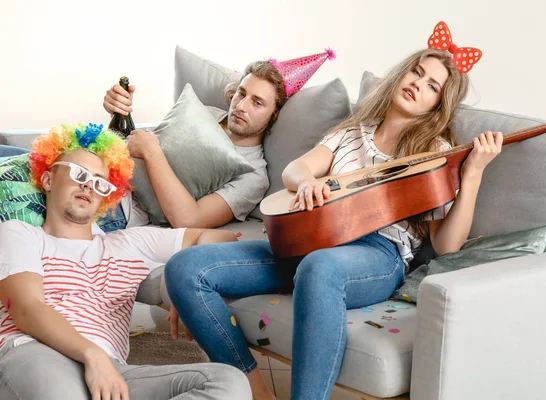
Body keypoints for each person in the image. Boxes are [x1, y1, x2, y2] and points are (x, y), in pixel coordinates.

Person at [163, 22, 503, 400]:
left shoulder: (433, 153)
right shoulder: (352, 131)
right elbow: (296, 169)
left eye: (432, 86)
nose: (418, 84)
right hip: (311, 241)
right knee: (186, 268)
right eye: (417, 72)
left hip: (374, 255)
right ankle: (255, 390)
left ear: (438, 104)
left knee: (320, 267)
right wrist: (306, 182)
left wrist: (471, 175)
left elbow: (447, 246)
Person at [0, 123, 252, 400]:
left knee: (228, 382)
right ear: (47, 180)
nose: (88, 184)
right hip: (37, 352)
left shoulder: (129, 243)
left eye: (99, 182)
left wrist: (187, 280)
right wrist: (91, 354)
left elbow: (222, 238)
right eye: (78, 173)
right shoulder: (19, 233)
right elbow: (26, 308)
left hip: (113, 373)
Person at [100, 50, 336, 231]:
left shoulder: (253, 176)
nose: (241, 106)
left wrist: (153, 153)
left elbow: (189, 220)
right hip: (101, 171)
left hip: (119, 208)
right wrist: (120, 112)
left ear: (274, 114)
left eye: (257, 102)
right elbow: (138, 143)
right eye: (241, 93)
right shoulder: (206, 113)